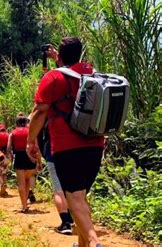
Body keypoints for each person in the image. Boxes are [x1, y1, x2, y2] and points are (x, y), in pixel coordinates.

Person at [27, 37, 105, 247]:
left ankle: (94, 241)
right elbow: (72, 75)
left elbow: (39, 111)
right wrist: (59, 61)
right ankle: (81, 244)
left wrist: (30, 141)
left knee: (74, 198)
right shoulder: (91, 73)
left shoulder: (52, 78)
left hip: (66, 148)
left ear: (59, 55)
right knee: (79, 197)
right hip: (95, 145)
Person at [8, 113, 42, 213]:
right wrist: (39, 162)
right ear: (26, 122)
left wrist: (10, 157)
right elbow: (37, 147)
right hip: (30, 157)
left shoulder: (12, 133)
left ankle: (24, 206)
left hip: (19, 157)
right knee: (27, 181)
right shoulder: (30, 132)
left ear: (17, 123)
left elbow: (8, 148)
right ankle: (25, 204)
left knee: (21, 183)